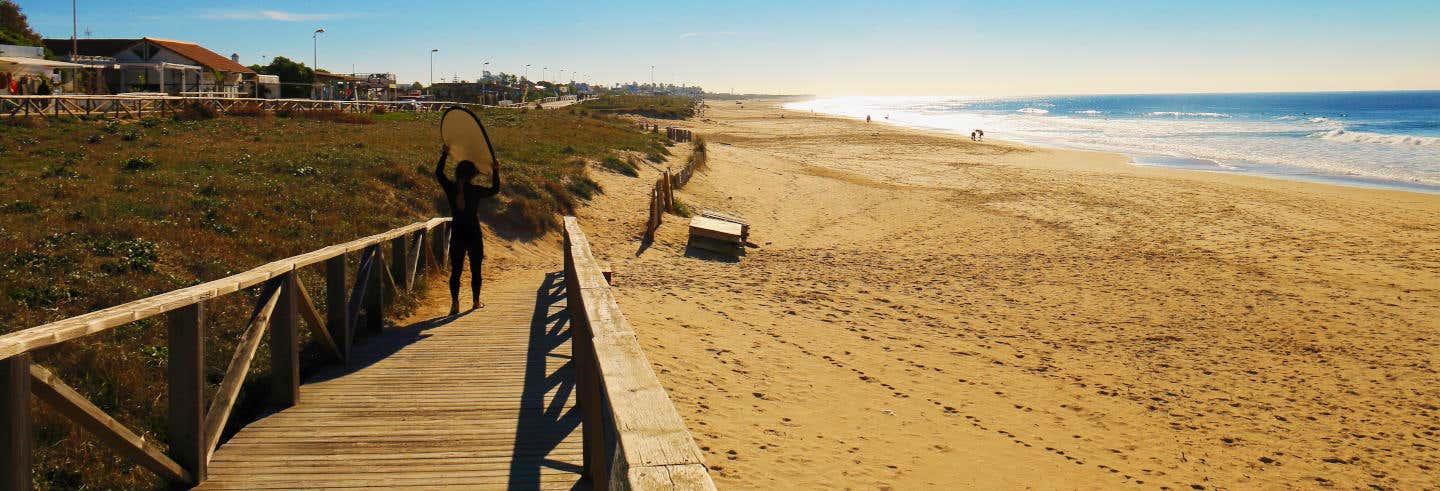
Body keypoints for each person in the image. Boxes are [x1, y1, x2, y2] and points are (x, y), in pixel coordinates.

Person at [435, 145, 501, 314]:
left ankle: (454, 303)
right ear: (473, 175)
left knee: (456, 271)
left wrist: (445, 154)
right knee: (475, 269)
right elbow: (495, 189)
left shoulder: (451, 188)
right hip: (473, 232)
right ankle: (476, 301)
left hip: (457, 231)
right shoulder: (475, 190)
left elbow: (439, 174)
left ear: (458, 172)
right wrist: (495, 171)